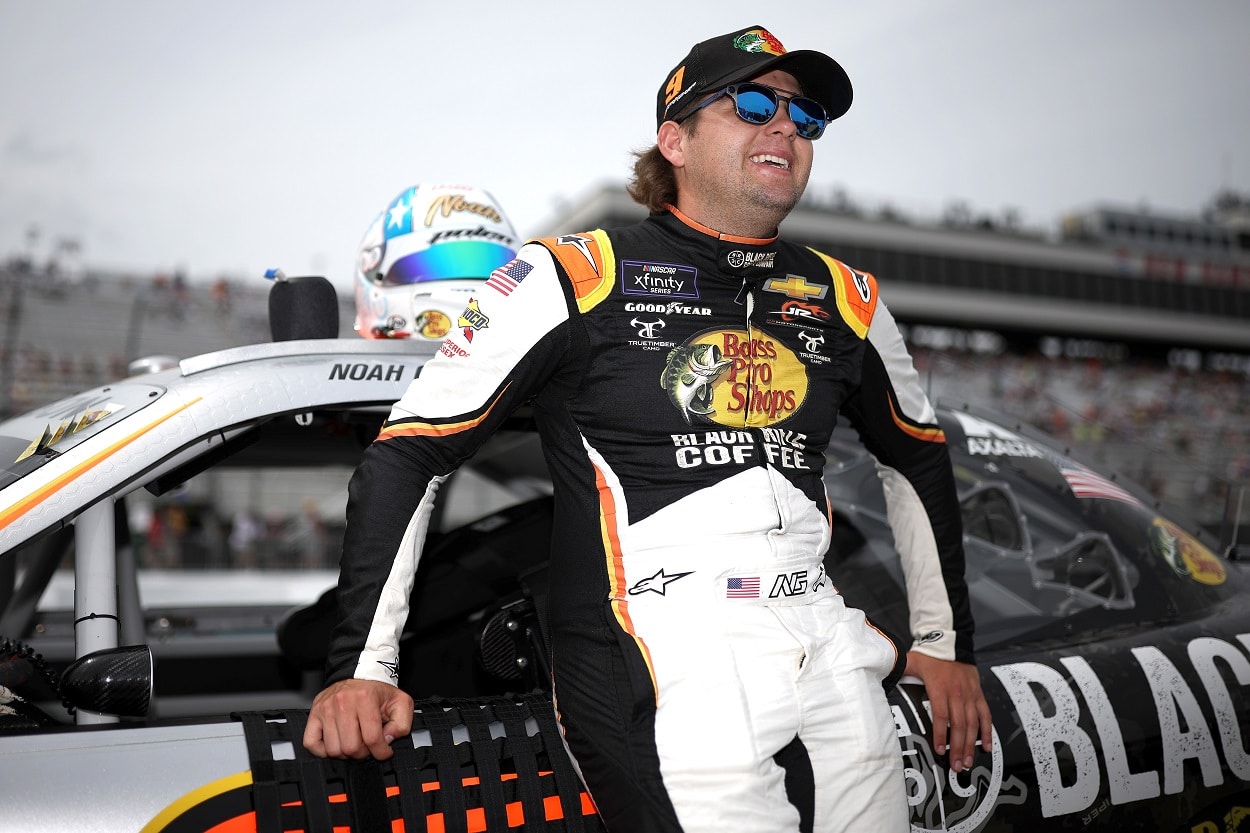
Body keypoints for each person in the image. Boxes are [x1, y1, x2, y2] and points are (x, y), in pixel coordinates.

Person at [305, 25, 992, 832]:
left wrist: (946, 646)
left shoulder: (848, 297)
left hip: (832, 643)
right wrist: (362, 665)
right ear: (675, 139)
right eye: (753, 103)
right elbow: (409, 452)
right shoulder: (569, 275)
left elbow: (917, 457)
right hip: (664, 647)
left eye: (804, 119)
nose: (786, 127)